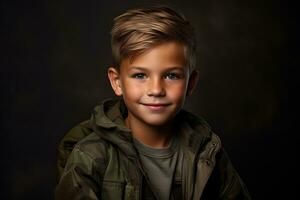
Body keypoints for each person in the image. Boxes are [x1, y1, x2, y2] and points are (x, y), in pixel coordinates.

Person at [55, 6, 251, 200]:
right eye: (140, 75)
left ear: (190, 83)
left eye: (172, 76)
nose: (156, 90)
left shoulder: (206, 151)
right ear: (117, 82)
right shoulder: (90, 157)